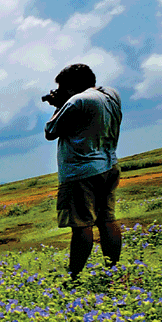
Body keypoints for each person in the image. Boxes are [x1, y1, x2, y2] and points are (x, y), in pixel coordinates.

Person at [43, 63, 123, 282]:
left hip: (80, 171)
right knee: (107, 219)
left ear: (71, 86)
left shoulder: (77, 101)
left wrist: (58, 105)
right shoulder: (110, 94)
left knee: (81, 225)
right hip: (108, 164)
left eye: (62, 88)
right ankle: (112, 271)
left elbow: (50, 131)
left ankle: (75, 276)